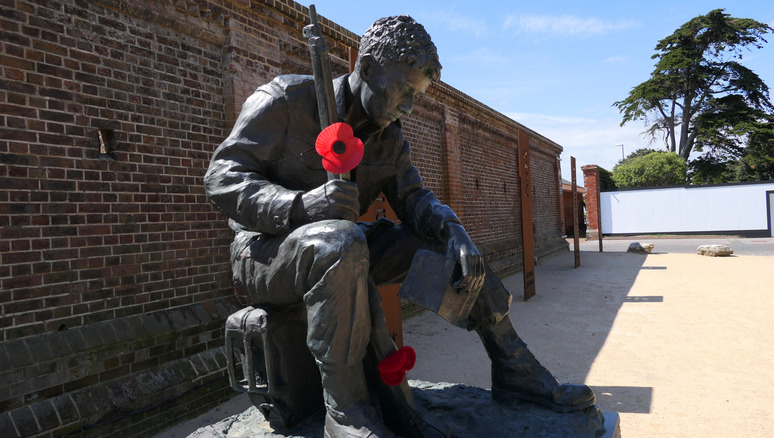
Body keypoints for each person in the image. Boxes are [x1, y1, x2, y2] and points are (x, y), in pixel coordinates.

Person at [205, 15, 595, 438]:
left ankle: (514, 368)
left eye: (417, 96)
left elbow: (413, 197)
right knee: (342, 240)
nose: (408, 106)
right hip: (267, 255)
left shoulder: (389, 135)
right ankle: (347, 408)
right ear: (369, 68)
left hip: (346, 250)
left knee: (441, 251)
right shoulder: (283, 100)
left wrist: (453, 231)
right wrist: (300, 205)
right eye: (405, 91)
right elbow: (223, 177)